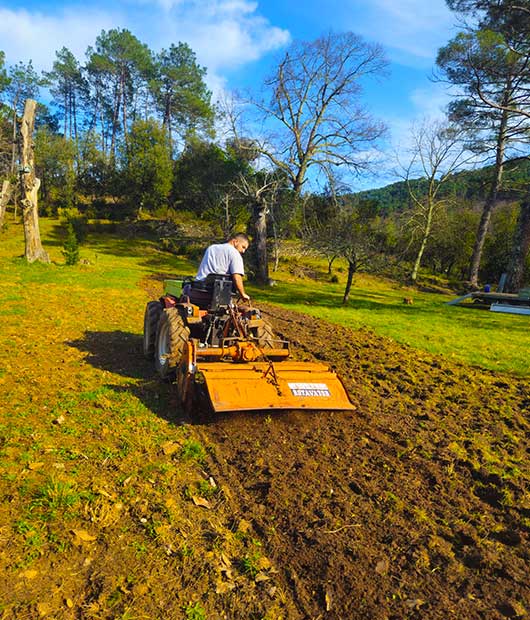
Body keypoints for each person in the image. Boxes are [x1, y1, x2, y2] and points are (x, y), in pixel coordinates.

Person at [184, 233, 251, 303]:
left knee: (186, 287)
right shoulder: (235, 253)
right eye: (243, 247)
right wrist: (242, 294)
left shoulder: (211, 248)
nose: (243, 251)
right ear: (235, 241)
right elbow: (237, 277)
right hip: (217, 296)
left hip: (197, 292)